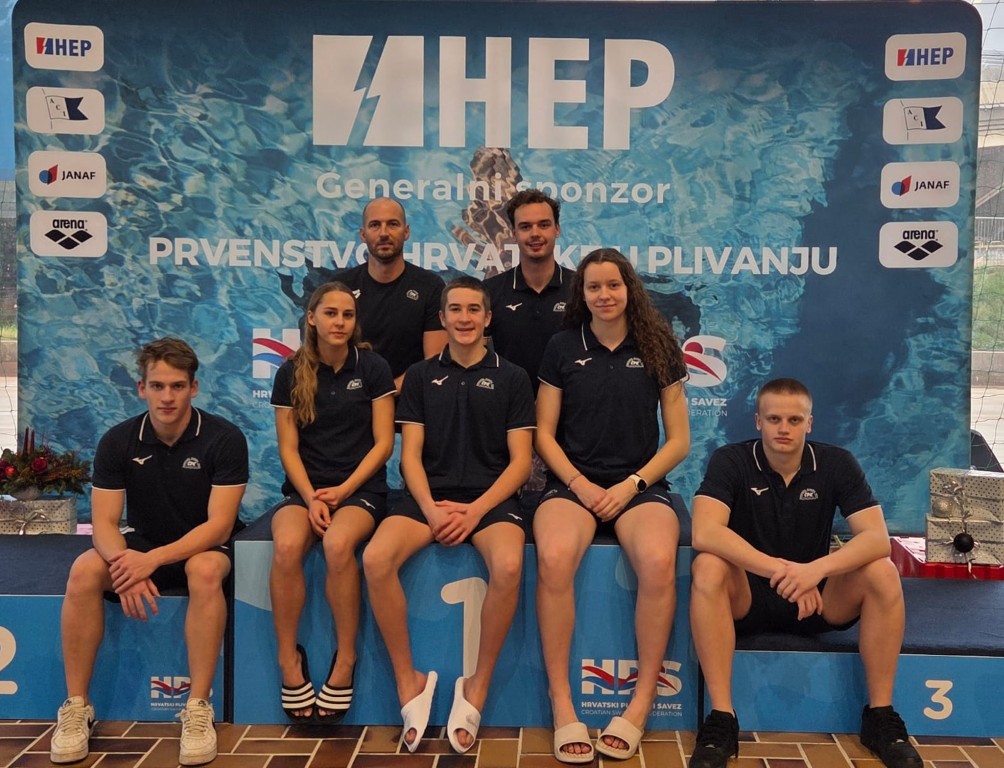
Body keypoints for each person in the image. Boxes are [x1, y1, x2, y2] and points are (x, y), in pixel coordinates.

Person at [688, 378, 921, 768]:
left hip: (815, 601)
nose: (784, 428)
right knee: (708, 566)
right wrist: (785, 572)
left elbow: (877, 539)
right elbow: (705, 532)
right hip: (749, 598)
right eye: (774, 419)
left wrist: (816, 571)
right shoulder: (731, 460)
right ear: (758, 421)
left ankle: (880, 716)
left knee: (882, 571)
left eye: (794, 420)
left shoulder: (836, 463)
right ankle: (721, 719)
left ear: (809, 423)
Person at [51, 338, 248, 766]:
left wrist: (151, 562)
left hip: (202, 546)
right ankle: (77, 707)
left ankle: (197, 708)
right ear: (141, 388)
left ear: (194, 387)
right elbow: (104, 524)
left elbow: (219, 525)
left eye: (177, 386)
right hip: (141, 547)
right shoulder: (119, 441)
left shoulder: (224, 438)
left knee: (204, 570)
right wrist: (125, 566)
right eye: (157, 386)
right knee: (84, 570)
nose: (167, 397)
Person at [362, 276, 535, 754]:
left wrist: (475, 511)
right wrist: (431, 512)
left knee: (509, 565)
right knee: (375, 559)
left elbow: (521, 463)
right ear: (442, 318)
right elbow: (410, 456)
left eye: (473, 310)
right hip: (428, 499)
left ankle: (476, 686)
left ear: (488, 318)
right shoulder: (419, 376)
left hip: (490, 500)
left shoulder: (513, 377)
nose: (464, 318)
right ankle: (409, 681)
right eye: (455, 310)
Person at [534, 248, 690, 763]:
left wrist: (632, 484)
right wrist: (579, 484)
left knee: (659, 562)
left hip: (639, 487)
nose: (604, 295)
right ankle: (562, 702)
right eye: (594, 287)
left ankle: (641, 703)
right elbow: (544, 435)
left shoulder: (658, 344)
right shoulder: (562, 346)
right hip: (573, 485)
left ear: (629, 289)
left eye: (613, 285)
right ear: (581, 294)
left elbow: (679, 441)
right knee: (554, 558)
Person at [268, 282, 395, 723]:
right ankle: (288, 659)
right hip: (305, 491)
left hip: (361, 490)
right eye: (330, 313)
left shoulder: (374, 367)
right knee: (286, 546)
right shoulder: (290, 372)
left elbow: (383, 444)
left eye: (347, 314)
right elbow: (288, 448)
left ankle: (346, 657)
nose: (339, 322)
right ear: (312, 318)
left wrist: (342, 491)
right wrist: (310, 497)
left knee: (339, 545)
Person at [313, 197, 447, 392]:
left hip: (409, 400)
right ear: (363, 234)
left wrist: (384, 394)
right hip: (352, 399)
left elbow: (433, 362)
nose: (384, 233)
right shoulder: (341, 287)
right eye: (375, 225)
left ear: (406, 232)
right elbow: (325, 355)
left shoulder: (430, 287)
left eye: (393, 224)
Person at [484, 189, 573, 392]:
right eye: (525, 226)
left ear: (557, 229)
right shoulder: (490, 291)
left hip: (571, 407)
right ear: (514, 234)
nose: (535, 234)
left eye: (544, 225)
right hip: (508, 406)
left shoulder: (580, 289)